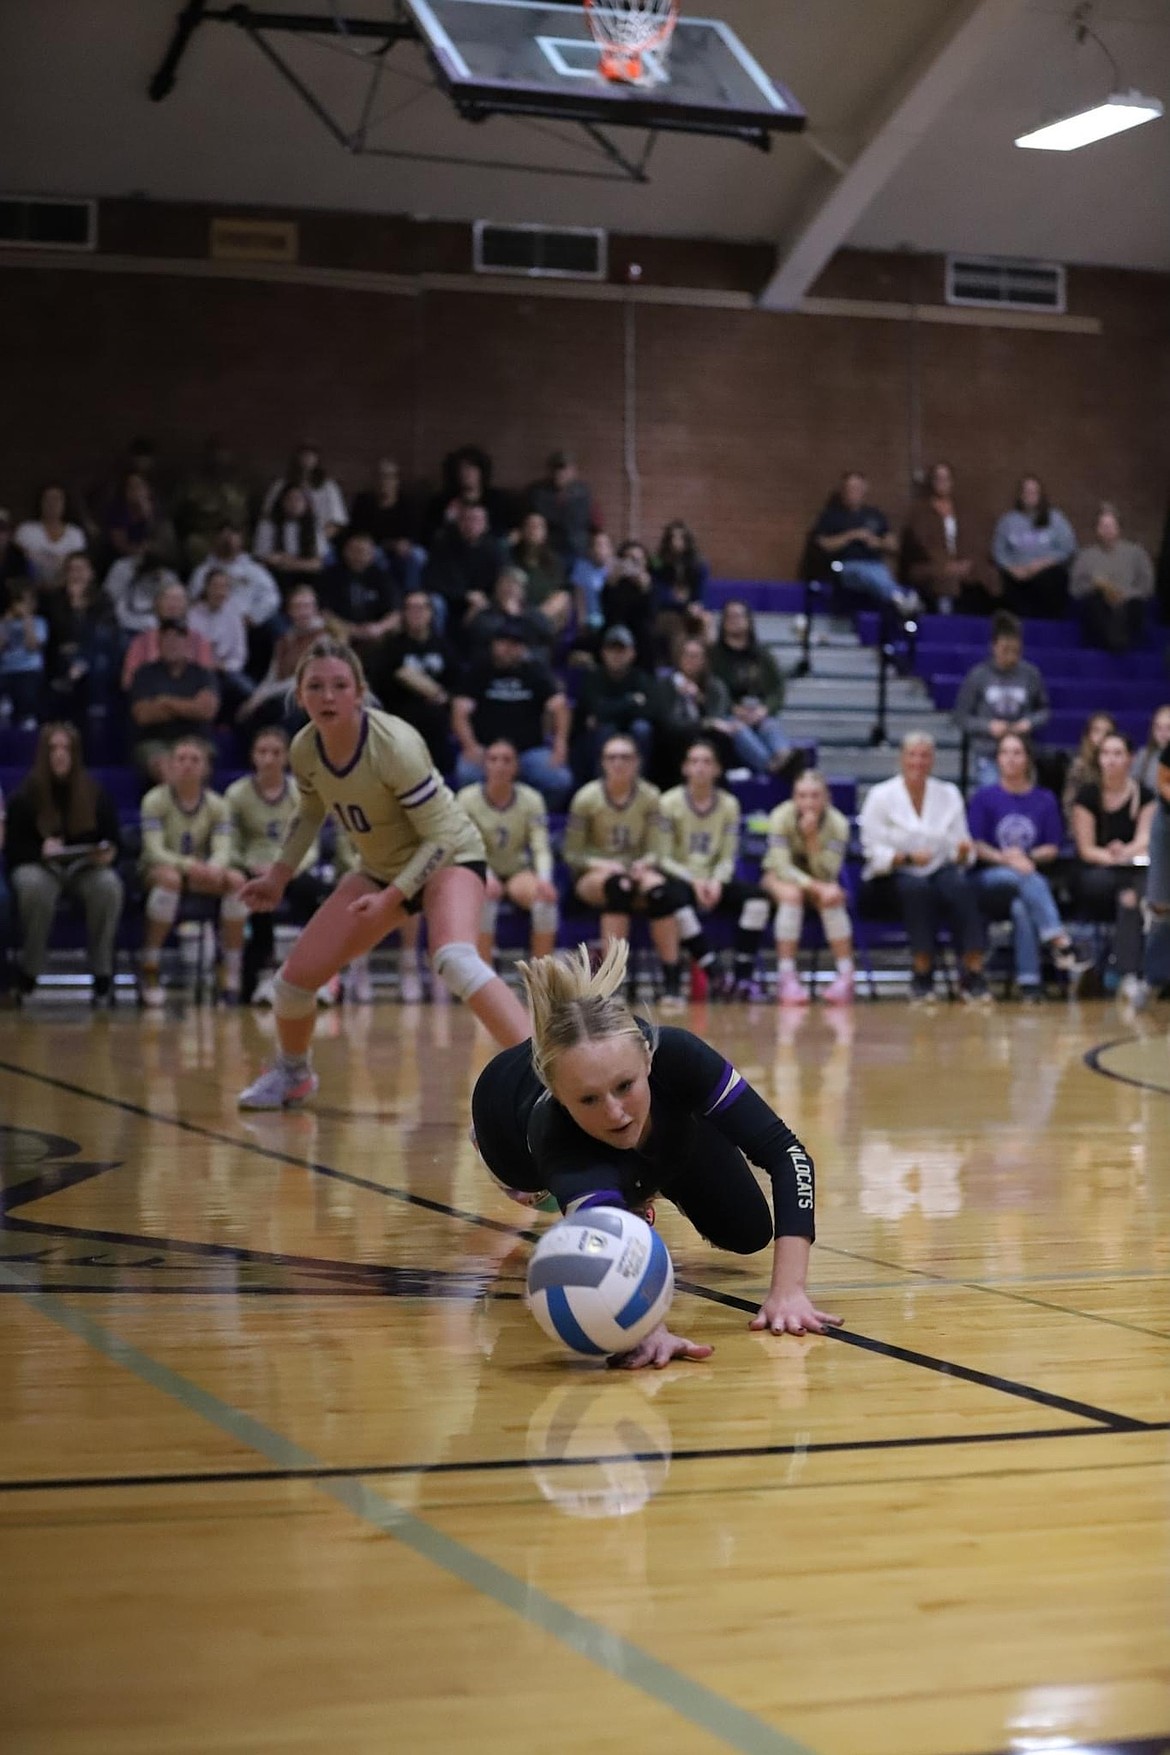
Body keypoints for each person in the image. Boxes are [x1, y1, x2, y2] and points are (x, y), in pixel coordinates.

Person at [471, 939, 841, 1366]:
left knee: (748, 1232)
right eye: (589, 1100)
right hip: (514, 1149)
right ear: (559, 1096)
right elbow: (606, 1259)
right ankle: (630, 1190)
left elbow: (787, 1153)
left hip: (653, 1119)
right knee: (596, 1200)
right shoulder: (555, 1134)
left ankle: (642, 1180)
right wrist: (648, 1329)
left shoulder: (677, 1054)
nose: (614, 1111)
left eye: (625, 1086)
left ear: (647, 1059)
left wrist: (789, 1291)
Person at [236, 637, 530, 1109]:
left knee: (455, 958)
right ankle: (292, 1074)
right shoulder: (305, 748)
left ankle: (542, 1079)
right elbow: (309, 813)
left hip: (450, 858)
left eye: (339, 686)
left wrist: (393, 897)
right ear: (299, 693)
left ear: (359, 692)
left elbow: (441, 839)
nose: (328, 696)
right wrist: (278, 876)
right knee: (291, 986)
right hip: (380, 869)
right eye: (316, 686)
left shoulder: (395, 745)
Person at [858, 731, 991, 1005]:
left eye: (925, 756)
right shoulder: (880, 795)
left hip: (938, 871)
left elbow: (960, 848)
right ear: (901, 759)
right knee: (916, 889)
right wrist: (905, 858)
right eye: (912, 755)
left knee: (961, 886)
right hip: (889, 878)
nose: (918, 762)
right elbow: (872, 853)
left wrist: (964, 852)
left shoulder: (948, 793)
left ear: (933, 761)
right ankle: (922, 972)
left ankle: (972, 970)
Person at [225, 726, 351, 1005]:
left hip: (293, 868)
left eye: (276, 752)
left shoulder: (301, 791)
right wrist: (252, 866)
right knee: (257, 899)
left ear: (286, 757)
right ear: (252, 756)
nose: (269, 758)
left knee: (324, 897)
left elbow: (312, 844)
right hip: (254, 869)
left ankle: (322, 976)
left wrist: (287, 869)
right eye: (262, 752)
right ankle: (261, 977)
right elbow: (230, 844)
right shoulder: (237, 794)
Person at [5, 724, 124, 1006]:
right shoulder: (25, 794)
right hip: (39, 865)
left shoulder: (95, 792)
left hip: (84, 867)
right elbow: (13, 850)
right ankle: (29, 971)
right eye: (53, 749)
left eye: (66, 749)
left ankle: (103, 974)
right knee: (34, 887)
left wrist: (108, 854)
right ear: (43, 754)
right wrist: (40, 850)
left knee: (108, 886)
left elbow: (114, 839)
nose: (59, 755)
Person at [562, 734, 683, 1003]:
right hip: (594, 875)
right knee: (617, 887)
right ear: (603, 763)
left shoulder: (650, 796)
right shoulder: (587, 798)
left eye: (625, 757)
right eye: (612, 757)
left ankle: (672, 983)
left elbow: (659, 849)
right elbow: (572, 854)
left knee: (660, 893)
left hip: (637, 870)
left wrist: (645, 864)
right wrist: (602, 864)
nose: (618, 763)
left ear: (637, 762)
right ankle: (612, 983)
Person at [967, 732, 1087, 1001]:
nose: (1010, 759)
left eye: (1017, 752)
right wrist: (1007, 859)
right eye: (1005, 753)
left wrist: (1027, 858)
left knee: (1023, 907)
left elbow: (1053, 847)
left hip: (1028, 881)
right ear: (997, 759)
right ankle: (1059, 941)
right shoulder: (984, 798)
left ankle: (1030, 983)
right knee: (1028, 879)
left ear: (1028, 759)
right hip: (988, 880)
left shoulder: (1044, 799)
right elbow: (976, 845)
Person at [138, 737, 249, 1007]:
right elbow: (154, 851)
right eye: (181, 759)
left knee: (237, 881)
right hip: (160, 871)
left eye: (194, 759)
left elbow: (224, 848)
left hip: (202, 874)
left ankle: (230, 973)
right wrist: (190, 866)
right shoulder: (154, 800)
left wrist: (213, 868)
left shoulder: (217, 805)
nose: (187, 765)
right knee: (170, 879)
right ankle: (150, 964)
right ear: (170, 765)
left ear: (206, 768)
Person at [659, 738, 770, 1001]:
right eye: (694, 761)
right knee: (672, 901)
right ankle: (715, 973)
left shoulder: (729, 804)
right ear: (685, 768)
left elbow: (729, 854)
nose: (700, 767)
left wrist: (718, 881)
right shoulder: (668, 802)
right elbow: (662, 858)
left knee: (758, 900)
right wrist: (694, 880)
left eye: (706, 762)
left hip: (715, 880)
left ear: (717, 770)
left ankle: (743, 978)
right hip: (681, 878)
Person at [1070, 729, 1155, 1001]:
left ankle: (1128, 973)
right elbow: (1086, 848)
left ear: (1130, 758)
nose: (1111, 760)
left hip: (1133, 869)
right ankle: (1128, 973)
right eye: (1105, 753)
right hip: (1096, 872)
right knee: (1129, 894)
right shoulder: (1087, 795)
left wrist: (1125, 851)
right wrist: (1114, 856)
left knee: (1135, 895)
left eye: (1118, 754)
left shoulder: (1145, 795)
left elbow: (1144, 839)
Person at [457, 740, 559, 964]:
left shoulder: (532, 799)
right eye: (493, 759)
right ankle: (484, 979)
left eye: (506, 760)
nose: (500, 765)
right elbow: (465, 846)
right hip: (480, 870)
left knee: (545, 904)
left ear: (516, 767)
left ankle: (540, 980)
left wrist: (544, 880)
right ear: (485, 766)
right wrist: (486, 874)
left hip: (516, 870)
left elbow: (540, 845)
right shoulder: (467, 799)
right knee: (484, 899)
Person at [452, 622, 572, 807]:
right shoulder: (479, 671)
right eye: (503, 643)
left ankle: (531, 816)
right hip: (487, 751)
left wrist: (560, 745)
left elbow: (559, 707)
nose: (508, 649)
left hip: (528, 751)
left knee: (559, 779)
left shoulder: (536, 672)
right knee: (467, 772)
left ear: (523, 648)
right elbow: (460, 711)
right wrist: (470, 746)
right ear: (494, 645)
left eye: (515, 644)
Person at [761, 770, 854, 1006]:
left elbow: (828, 872)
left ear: (826, 798)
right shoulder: (780, 816)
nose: (808, 802)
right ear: (794, 797)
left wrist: (812, 840)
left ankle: (846, 975)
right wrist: (816, 886)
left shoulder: (839, 824)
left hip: (818, 879)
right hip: (778, 877)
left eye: (815, 796)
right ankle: (786, 976)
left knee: (831, 898)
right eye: (802, 796)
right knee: (792, 895)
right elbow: (781, 867)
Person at [952, 611, 1051, 788]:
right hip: (988, 752)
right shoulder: (978, 676)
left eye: (1016, 651)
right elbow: (960, 717)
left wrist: (1029, 722)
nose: (1011, 657)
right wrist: (987, 726)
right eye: (1006, 650)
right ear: (994, 646)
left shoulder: (1031, 674)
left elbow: (1044, 711)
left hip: (1022, 752)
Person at [371, 588, 457, 772]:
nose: (416, 613)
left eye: (421, 608)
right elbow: (380, 686)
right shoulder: (392, 646)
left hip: (437, 721)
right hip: (401, 718)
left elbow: (456, 682)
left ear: (431, 613)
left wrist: (435, 691)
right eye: (410, 608)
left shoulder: (444, 645)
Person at [812, 471, 919, 618]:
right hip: (846, 566)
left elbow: (893, 544)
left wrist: (878, 542)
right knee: (865, 573)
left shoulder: (874, 515)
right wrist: (852, 535)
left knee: (878, 573)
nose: (853, 492)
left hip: (875, 564)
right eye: (849, 488)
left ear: (864, 490)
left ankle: (897, 599)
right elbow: (823, 544)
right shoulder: (832, 516)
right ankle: (899, 598)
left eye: (857, 488)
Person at [708, 600, 794, 777]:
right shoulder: (713, 655)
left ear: (749, 620)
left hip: (759, 712)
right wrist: (733, 708)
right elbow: (711, 689)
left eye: (739, 616)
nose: (734, 620)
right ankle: (770, 766)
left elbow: (778, 689)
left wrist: (765, 709)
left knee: (770, 725)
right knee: (739, 729)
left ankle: (785, 757)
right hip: (729, 714)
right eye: (730, 616)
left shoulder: (763, 654)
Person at [188, 521, 282, 678]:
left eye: (233, 534)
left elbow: (272, 598)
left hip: (249, 623)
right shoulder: (202, 572)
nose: (228, 539)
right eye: (223, 534)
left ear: (241, 539)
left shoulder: (253, 570)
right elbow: (193, 601)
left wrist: (252, 617)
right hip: (213, 623)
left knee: (277, 627)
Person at [129, 618, 219, 780]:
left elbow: (206, 711)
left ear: (187, 643)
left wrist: (165, 702)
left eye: (177, 638)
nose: (172, 643)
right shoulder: (144, 674)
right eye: (166, 638)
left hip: (196, 739)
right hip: (155, 741)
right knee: (164, 764)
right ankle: (174, 805)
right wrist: (190, 707)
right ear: (159, 643)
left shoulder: (202, 674)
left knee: (195, 760)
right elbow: (143, 715)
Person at [901, 462, 994, 614]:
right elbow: (920, 545)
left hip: (963, 564)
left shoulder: (963, 511)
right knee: (944, 579)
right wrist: (946, 565)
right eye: (938, 478)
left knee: (987, 576)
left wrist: (965, 562)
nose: (942, 483)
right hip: (931, 566)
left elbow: (974, 541)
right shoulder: (920, 513)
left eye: (946, 479)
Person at [235, 583, 325, 735]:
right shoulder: (284, 640)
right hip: (278, 695)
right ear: (290, 611)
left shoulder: (323, 639)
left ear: (315, 609)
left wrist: (265, 696)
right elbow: (272, 676)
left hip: (308, 696)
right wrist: (254, 700)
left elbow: (304, 679)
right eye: (298, 607)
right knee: (246, 716)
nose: (303, 612)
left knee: (287, 710)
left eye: (307, 606)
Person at [45, 553, 121, 723]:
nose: (77, 574)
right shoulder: (57, 599)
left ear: (91, 573)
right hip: (65, 654)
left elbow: (107, 634)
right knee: (93, 659)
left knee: (100, 649)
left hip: (97, 654)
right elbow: (59, 633)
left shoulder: (103, 598)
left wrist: (83, 610)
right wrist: (75, 607)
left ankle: (79, 667)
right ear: (66, 574)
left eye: (82, 569)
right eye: (73, 569)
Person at [1070, 505, 1155, 654]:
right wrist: (1098, 588)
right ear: (1097, 529)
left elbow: (1147, 585)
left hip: (1127, 602)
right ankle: (1113, 639)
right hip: (1099, 601)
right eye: (1103, 526)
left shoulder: (1136, 553)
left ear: (1119, 528)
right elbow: (1074, 588)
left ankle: (1115, 637)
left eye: (1111, 526)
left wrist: (1125, 595)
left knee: (1136, 606)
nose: (1107, 530)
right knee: (1094, 604)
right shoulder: (1085, 555)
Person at [651, 634, 735, 782]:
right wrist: (681, 700)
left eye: (696, 656)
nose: (691, 660)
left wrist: (700, 701)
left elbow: (718, 717)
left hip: (706, 737)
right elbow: (668, 722)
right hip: (673, 739)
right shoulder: (665, 685)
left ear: (704, 660)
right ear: (679, 658)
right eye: (688, 655)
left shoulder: (715, 686)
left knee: (723, 736)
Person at [574, 624, 656, 775]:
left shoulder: (641, 678)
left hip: (631, 731)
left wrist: (610, 708)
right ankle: (602, 781)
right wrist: (631, 701)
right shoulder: (594, 677)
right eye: (612, 650)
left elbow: (649, 712)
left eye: (622, 650)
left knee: (642, 728)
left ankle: (637, 780)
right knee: (605, 730)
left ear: (632, 654)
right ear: (603, 653)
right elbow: (597, 710)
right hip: (603, 732)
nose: (616, 655)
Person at [992, 475, 1076, 619]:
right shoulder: (1007, 522)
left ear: (1040, 495)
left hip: (1047, 574)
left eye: (1034, 492)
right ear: (1020, 495)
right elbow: (998, 552)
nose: (1030, 495)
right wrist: (1012, 568)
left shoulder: (1055, 518)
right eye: (1026, 491)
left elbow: (1069, 548)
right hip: (1017, 575)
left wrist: (1042, 564)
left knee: (1053, 579)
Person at [317, 528, 401, 663]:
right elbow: (324, 612)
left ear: (372, 554)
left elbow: (395, 613)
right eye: (354, 551)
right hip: (342, 629)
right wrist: (351, 629)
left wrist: (379, 627)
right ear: (345, 552)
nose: (359, 555)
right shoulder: (331, 575)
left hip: (373, 630)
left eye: (364, 552)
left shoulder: (382, 576)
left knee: (394, 632)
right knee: (335, 634)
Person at [261, 443, 347, 545]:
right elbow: (267, 514)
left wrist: (316, 541)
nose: (307, 459)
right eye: (304, 456)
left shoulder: (329, 486)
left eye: (311, 456)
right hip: (282, 541)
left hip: (318, 541)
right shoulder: (280, 485)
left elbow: (336, 521)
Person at [253, 484, 326, 597]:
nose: (294, 504)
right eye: (289, 499)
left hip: (304, 576)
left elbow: (317, 563)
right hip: (276, 576)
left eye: (298, 499)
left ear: (306, 504)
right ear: (282, 502)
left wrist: (290, 562)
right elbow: (262, 557)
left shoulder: (313, 527)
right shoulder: (268, 524)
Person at [527, 450, 599, 565]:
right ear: (549, 471)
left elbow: (582, 520)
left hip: (578, 549)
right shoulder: (537, 492)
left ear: (573, 471)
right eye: (556, 469)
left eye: (564, 469)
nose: (559, 473)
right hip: (549, 548)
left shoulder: (583, 492)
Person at [509, 512, 571, 635]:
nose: (534, 531)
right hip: (517, 616)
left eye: (538, 527)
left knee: (563, 598)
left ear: (545, 533)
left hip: (544, 618)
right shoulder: (511, 558)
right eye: (530, 526)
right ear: (522, 531)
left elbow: (560, 594)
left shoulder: (554, 562)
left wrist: (540, 615)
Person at [14, 484, 86, 587]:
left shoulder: (75, 534)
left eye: (57, 499)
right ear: (40, 502)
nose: (52, 504)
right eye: (48, 499)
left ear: (65, 503)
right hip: (31, 589)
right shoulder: (26, 531)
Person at [104, 550, 184, 640]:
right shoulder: (127, 576)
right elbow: (116, 608)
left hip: (157, 633)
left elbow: (174, 614)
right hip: (124, 628)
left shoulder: (169, 579)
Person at [0, 579, 48, 727]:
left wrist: (28, 620)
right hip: (6, 670)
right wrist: (5, 623)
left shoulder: (39, 622)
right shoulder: (3, 622)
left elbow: (33, 646)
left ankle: (28, 723)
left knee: (27, 696)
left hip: (29, 669)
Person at [1062, 711, 1117, 824]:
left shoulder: (1119, 763)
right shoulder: (1079, 766)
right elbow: (1069, 804)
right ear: (1088, 735)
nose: (1102, 736)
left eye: (1107, 732)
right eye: (1097, 731)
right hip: (1082, 827)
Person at [1133, 705, 1170, 793]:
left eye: (1168, 727)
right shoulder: (1143, 755)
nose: (1163, 733)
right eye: (1158, 728)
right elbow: (1133, 785)